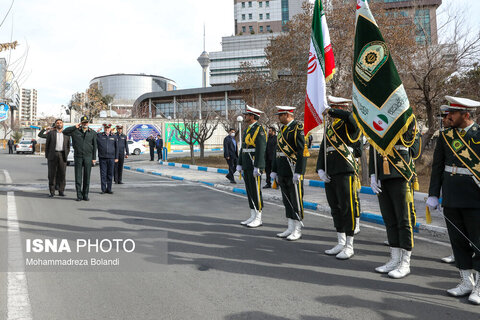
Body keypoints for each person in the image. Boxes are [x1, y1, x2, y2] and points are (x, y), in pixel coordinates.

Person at [426, 96, 480, 305]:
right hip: (451, 196)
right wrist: (433, 194)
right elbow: (437, 167)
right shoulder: (446, 136)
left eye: (453, 113)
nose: (448, 117)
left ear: (466, 115)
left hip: (475, 198)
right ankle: (466, 282)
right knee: (458, 243)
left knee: (478, 243)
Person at [369, 115, 421, 279]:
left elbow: (415, 150)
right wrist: (372, 173)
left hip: (401, 174)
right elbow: (373, 147)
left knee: (403, 220)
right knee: (389, 219)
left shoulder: (407, 118)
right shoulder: (377, 117)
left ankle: (405, 262)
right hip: (382, 175)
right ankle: (394, 259)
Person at [316, 96, 362, 259]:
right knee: (335, 207)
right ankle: (341, 241)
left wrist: (330, 110)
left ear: (341, 108)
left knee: (347, 207)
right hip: (331, 171)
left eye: (335, 108)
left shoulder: (349, 124)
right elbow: (323, 149)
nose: (331, 113)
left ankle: (349, 244)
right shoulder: (330, 128)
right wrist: (320, 168)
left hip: (345, 170)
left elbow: (350, 117)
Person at [271, 106, 307, 241]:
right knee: (287, 200)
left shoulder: (298, 127)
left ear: (287, 115)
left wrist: (299, 171)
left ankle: (297, 229)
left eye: (280, 115)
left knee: (296, 199)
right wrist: (274, 170)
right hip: (283, 170)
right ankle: (290, 227)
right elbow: (278, 151)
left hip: (293, 170)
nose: (278, 118)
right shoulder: (283, 130)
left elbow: (302, 150)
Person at [236, 106, 267, 228]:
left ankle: (258, 217)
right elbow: (243, 148)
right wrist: (239, 163)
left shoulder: (259, 130)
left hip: (254, 164)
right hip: (247, 164)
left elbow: (261, 149)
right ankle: (252, 214)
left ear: (253, 116)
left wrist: (258, 166)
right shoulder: (247, 130)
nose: (245, 117)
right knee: (249, 190)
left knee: (256, 191)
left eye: (247, 115)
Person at [63, 116, 98, 201]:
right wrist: (75, 127)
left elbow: (95, 146)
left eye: (86, 122)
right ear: (81, 123)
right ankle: (79, 195)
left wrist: (94, 158)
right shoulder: (75, 131)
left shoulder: (92, 133)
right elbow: (64, 131)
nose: (85, 124)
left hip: (88, 157)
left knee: (87, 176)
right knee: (78, 177)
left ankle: (85, 194)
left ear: (88, 123)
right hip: (78, 156)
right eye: (83, 122)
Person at [38, 119, 70, 197]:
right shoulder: (51, 134)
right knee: (52, 174)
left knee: (62, 174)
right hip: (53, 155)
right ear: (55, 125)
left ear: (63, 124)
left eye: (60, 123)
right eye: (57, 123)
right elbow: (47, 145)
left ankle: (61, 191)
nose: (59, 124)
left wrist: (66, 153)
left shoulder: (66, 134)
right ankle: (52, 192)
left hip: (62, 155)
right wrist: (46, 128)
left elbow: (68, 146)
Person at [97, 123, 118, 194]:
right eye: (105, 128)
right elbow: (93, 137)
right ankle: (103, 189)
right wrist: (97, 131)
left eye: (108, 128)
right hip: (102, 157)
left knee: (110, 174)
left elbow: (116, 148)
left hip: (111, 158)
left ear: (110, 129)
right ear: (104, 128)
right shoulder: (99, 135)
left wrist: (116, 157)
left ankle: (109, 189)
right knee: (103, 174)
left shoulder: (114, 136)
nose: (107, 129)